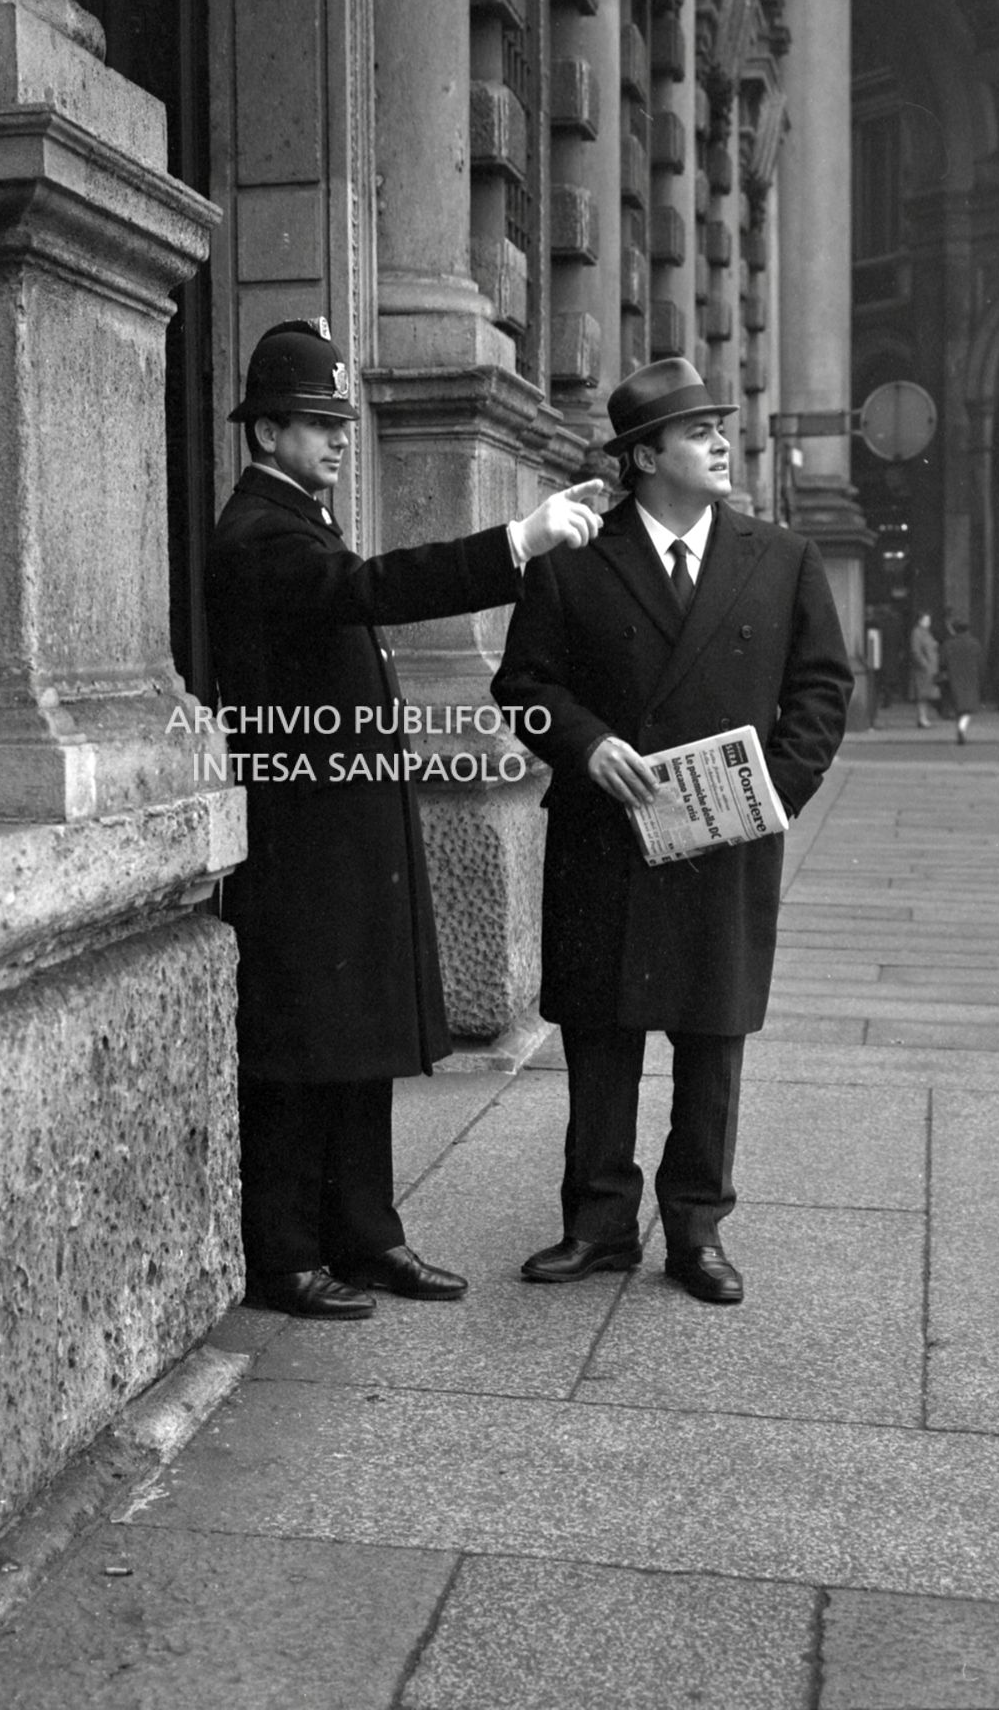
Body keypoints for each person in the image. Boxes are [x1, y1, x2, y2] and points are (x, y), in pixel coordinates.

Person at [206, 318, 604, 1319]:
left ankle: (366, 1233)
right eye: (314, 423)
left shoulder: (297, 518)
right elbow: (370, 592)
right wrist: (519, 541)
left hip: (339, 832)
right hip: (301, 839)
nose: (340, 439)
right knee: (301, 1053)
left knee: (358, 1040)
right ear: (264, 433)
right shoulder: (259, 533)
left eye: (341, 421)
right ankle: (286, 1253)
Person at [492, 357, 852, 1305]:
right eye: (699, 432)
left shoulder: (781, 559)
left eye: (721, 426)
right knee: (601, 1036)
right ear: (644, 456)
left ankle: (696, 1231)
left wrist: (769, 792)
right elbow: (521, 686)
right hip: (606, 832)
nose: (722, 442)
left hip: (726, 838)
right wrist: (585, 744)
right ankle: (598, 1226)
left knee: (712, 1033)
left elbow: (822, 691)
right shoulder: (575, 560)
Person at [940, 619, 983, 745]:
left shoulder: (949, 644)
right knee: (968, 708)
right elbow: (980, 662)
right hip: (970, 678)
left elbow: (942, 661)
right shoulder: (974, 643)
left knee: (958, 706)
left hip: (954, 677)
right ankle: (962, 728)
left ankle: (960, 727)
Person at [909, 611, 941, 729]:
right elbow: (915, 650)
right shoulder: (917, 633)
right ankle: (922, 718)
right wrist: (924, 664)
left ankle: (924, 717)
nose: (928, 622)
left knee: (926, 695)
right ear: (920, 620)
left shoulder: (926, 633)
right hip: (923, 669)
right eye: (926, 620)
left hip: (930, 668)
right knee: (922, 695)